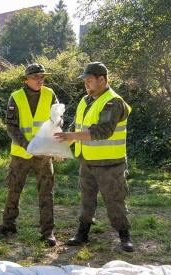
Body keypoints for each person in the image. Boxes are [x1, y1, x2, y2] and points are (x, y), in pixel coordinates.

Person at [55, 62, 135, 253]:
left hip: (110, 163)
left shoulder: (114, 102)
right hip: (87, 161)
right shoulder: (85, 101)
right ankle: (82, 233)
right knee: (86, 199)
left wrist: (71, 137)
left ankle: (124, 236)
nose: (86, 84)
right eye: (85, 81)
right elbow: (76, 127)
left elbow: (103, 131)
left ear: (102, 79)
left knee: (115, 200)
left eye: (89, 80)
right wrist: (63, 147)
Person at [0, 63, 60, 247]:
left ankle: (48, 232)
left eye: (42, 77)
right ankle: (8, 225)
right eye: (35, 77)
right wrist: (27, 144)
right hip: (21, 153)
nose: (39, 80)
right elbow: (11, 126)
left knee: (46, 192)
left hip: (44, 154)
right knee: (14, 189)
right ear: (26, 79)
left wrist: (56, 147)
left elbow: (57, 121)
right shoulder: (16, 97)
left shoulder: (50, 94)